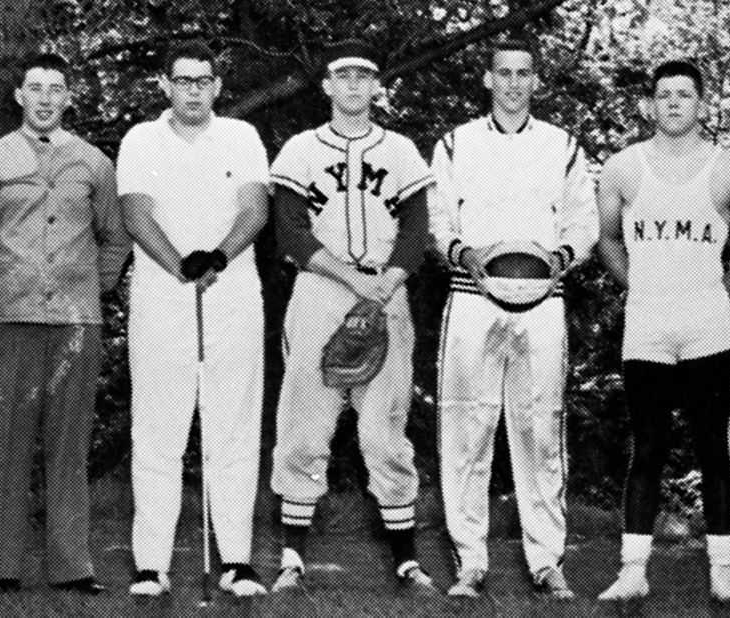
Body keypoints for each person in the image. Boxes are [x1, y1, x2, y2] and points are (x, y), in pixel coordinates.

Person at [0, 52, 129, 595]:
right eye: (35, 87)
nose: (45, 97)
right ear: (19, 96)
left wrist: (96, 286)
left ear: (68, 98)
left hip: (76, 322)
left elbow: (114, 238)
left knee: (69, 446)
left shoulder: (94, 163)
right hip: (9, 315)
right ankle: (0, 568)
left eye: (56, 88)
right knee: (9, 441)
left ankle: (73, 569)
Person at [429, 39, 598, 600]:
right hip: (472, 294)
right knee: (467, 427)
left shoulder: (562, 145)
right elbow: (437, 218)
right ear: (487, 79)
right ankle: (470, 562)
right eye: (504, 73)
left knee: (540, 427)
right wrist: (464, 254)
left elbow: (583, 222)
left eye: (524, 73)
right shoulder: (455, 144)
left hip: (543, 299)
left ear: (535, 82)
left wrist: (562, 260)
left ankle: (547, 561)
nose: (514, 83)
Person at [267, 39, 438, 595]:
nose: (354, 86)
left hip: (388, 288)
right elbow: (290, 230)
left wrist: (384, 282)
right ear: (327, 85)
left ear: (375, 85)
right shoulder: (299, 149)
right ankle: (292, 556)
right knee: (304, 421)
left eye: (365, 76)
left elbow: (416, 230)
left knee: (384, 428)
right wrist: (353, 279)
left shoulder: (403, 151)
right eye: (344, 76)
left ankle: (407, 562)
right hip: (320, 288)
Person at [117, 40, 271, 598]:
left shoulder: (241, 136)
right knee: (159, 427)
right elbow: (136, 213)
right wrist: (180, 263)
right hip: (163, 294)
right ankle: (151, 565)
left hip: (232, 292)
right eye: (183, 81)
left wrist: (219, 256)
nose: (193, 91)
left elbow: (254, 208)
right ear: (165, 85)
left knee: (232, 424)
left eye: (203, 81)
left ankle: (237, 561)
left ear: (217, 86)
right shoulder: (141, 139)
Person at [594, 59, 730, 602]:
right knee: (649, 447)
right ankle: (632, 570)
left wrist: (717, 292)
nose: (675, 103)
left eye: (685, 94)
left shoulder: (729, 171)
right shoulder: (622, 168)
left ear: (701, 105)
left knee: (714, 448)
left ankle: (722, 570)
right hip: (648, 327)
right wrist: (640, 288)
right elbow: (607, 239)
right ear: (650, 105)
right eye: (664, 95)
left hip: (708, 329)